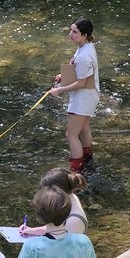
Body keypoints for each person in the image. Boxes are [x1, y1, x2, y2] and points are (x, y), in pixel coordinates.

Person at [49, 17, 99, 172]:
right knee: (84, 129)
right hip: (90, 95)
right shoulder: (86, 46)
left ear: (84, 35)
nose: (70, 34)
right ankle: (88, 158)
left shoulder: (84, 55)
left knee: (71, 135)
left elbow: (81, 83)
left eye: (75, 32)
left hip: (83, 98)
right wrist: (64, 75)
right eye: (70, 30)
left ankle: (76, 170)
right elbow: (81, 72)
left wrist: (59, 90)